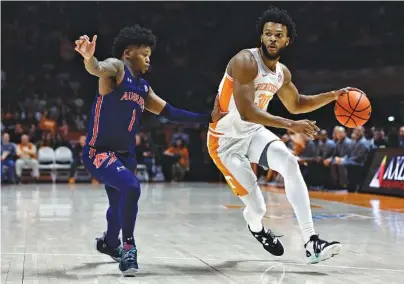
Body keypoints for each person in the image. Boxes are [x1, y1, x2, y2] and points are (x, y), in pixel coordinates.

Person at [207, 7, 362, 264]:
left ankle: (311, 241)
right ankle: (256, 228)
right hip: (225, 142)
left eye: (278, 35)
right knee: (257, 208)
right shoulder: (245, 61)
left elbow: (297, 103)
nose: (272, 39)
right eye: (268, 34)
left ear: (287, 41)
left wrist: (333, 95)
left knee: (290, 163)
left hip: (254, 133)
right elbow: (246, 111)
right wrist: (291, 125)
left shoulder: (282, 73)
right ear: (261, 37)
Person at [74, 25, 224, 276]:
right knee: (131, 187)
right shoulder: (116, 69)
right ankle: (129, 247)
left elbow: (172, 112)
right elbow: (98, 68)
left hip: (125, 155)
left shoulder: (143, 88)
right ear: (128, 53)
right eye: (144, 54)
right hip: (98, 151)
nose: (148, 59)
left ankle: (110, 243)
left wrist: (209, 117)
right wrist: (89, 58)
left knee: (117, 207)